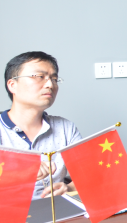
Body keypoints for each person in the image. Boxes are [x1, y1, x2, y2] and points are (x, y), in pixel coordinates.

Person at [1, 51, 82, 198]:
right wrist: (22, 169)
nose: (50, 84)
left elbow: (86, 176)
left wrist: (68, 188)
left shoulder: (66, 128)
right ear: (12, 85)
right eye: (39, 77)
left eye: (54, 79)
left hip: (56, 210)